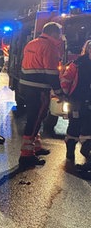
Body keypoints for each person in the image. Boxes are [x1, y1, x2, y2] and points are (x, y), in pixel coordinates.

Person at [18, 22, 66, 168]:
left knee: (35, 117)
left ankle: (36, 147)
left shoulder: (32, 43)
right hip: (39, 90)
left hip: (26, 87)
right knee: (35, 119)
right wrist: (59, 92)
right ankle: (26, 156)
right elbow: (52, 73)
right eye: (59, 33)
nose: (60, 36)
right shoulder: (50, 47)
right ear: (53, 33)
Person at [60, 40, 91, 169]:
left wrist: (65, 94)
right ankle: (82, 154)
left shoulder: (75, 64)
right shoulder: (76, 64)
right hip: (81, 101)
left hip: (76, 101)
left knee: (76, 126)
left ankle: (73, 154)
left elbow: (65, 81)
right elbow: (66, 81)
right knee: (85, 128)